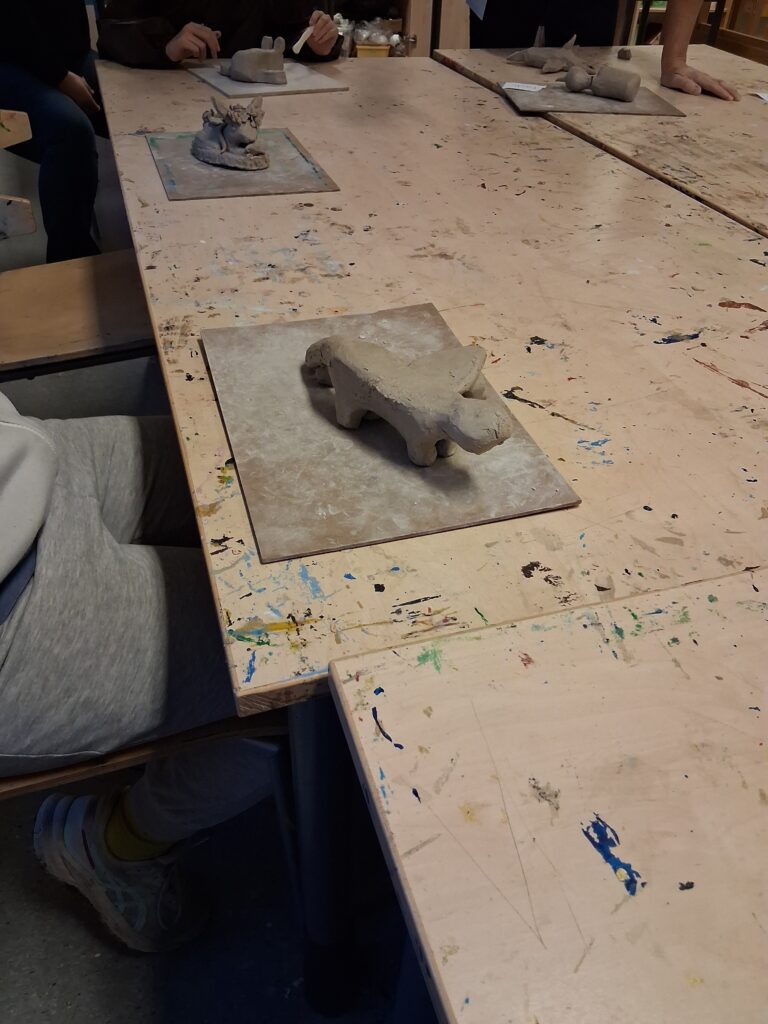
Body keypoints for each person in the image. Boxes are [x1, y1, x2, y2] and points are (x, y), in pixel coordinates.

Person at [0, 393, 276, 951]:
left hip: (23, 454)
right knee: (301, 663)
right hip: (16, 614)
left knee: (265, 466)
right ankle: (113, 845)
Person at [0, 1, 108, 262]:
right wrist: (59, 76)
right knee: (70, 131)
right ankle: (70, 256)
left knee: (132, 96)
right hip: (9, 58)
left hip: (65, 54)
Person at [471, 0, 739, 101]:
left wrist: (675, 61)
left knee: (581, 103)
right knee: (486, 100)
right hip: (502, 9)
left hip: (589, 8)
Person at [97, 1, 342, 67]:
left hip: (263, 104)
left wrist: (316, 44)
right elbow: (111, 33)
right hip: (168, 96)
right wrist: (166, 47)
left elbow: (293, 29)